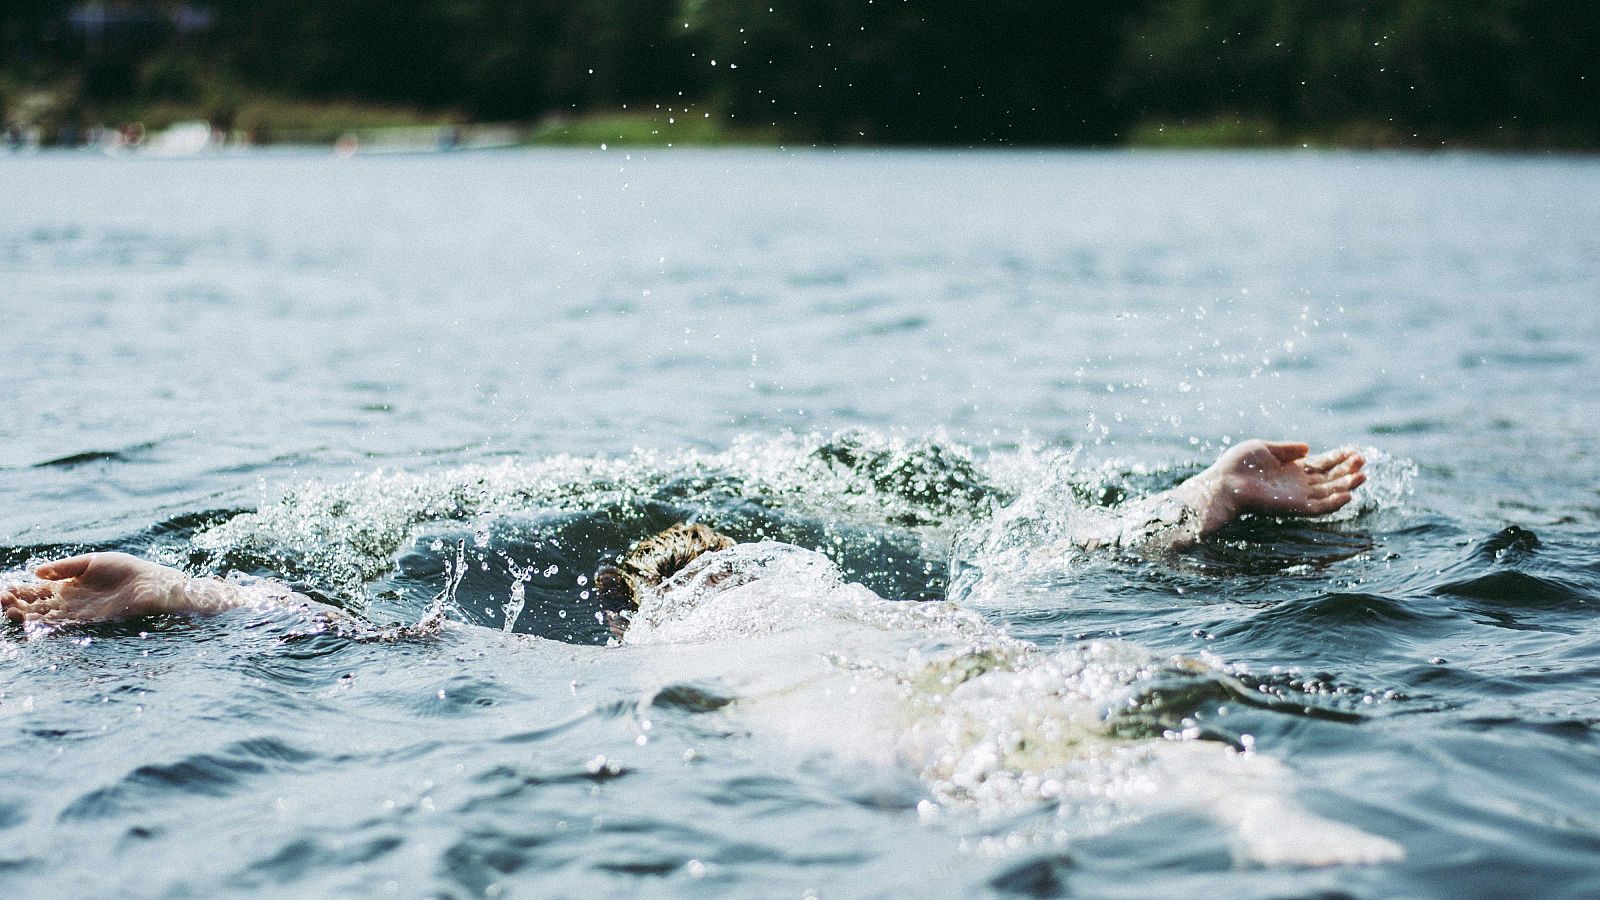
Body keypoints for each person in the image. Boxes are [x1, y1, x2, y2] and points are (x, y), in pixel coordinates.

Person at [2, 440, 1364, 628]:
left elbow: (365, 636)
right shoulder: (879, 592)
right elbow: (1064, 559)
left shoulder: (659, 657)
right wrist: (1201, 501)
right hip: (936, 642)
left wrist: (176, 592)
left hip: (837, 680)